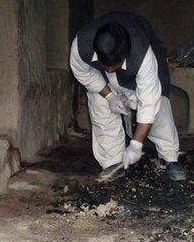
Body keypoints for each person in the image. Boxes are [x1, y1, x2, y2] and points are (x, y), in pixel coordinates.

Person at [70, 11, 186, 182]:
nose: (110, 70)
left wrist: (136, 144)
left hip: (137, 73)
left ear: (124, 55)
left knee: (158, 107)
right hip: (99, 78)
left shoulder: (143, 54)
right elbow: (83, 73)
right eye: (106, 65)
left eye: (113, 66)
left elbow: (148, 102)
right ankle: (112, 163)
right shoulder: (81, 45)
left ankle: (171, 158)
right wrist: (109, 96)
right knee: (99, 105)